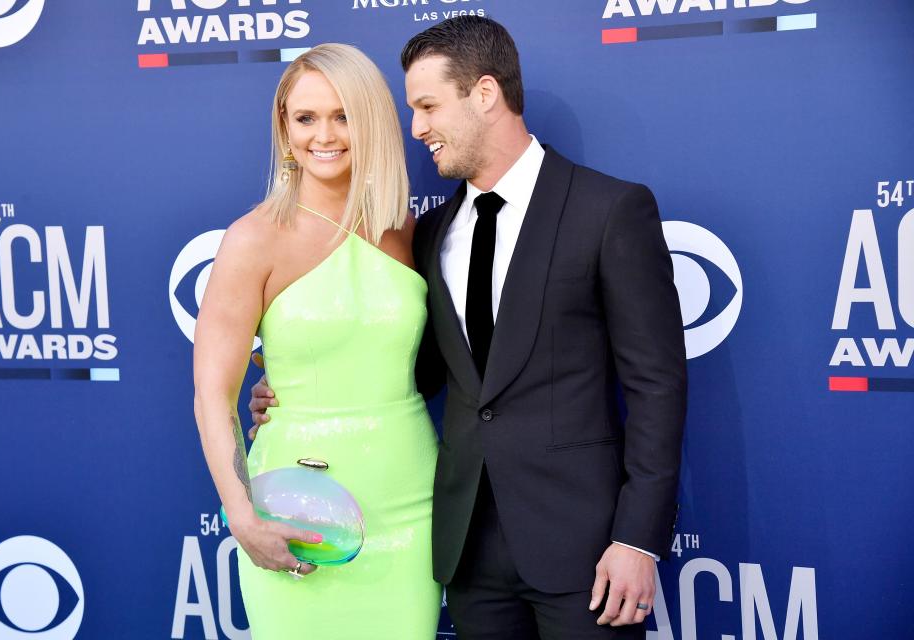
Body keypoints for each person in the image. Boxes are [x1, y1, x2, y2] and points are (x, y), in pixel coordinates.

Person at [252, 16, 687, 639]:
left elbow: (657, 387)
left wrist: (638, 541)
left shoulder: (609, 210)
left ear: (485, 93)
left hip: (587, 553)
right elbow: (418, 368)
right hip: (467, 551)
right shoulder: (429, 235)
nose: (416, 128)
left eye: (428, 106)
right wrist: (296, 391)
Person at [193, 43, 441, 639]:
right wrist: (243, 518)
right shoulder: (252, 240)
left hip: (410, 503)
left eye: (343, 116)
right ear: (284, 129)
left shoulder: (404, 230)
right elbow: (212, 395)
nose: (324, 135)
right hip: (294, 510)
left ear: (372, 122)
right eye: (306, 118)